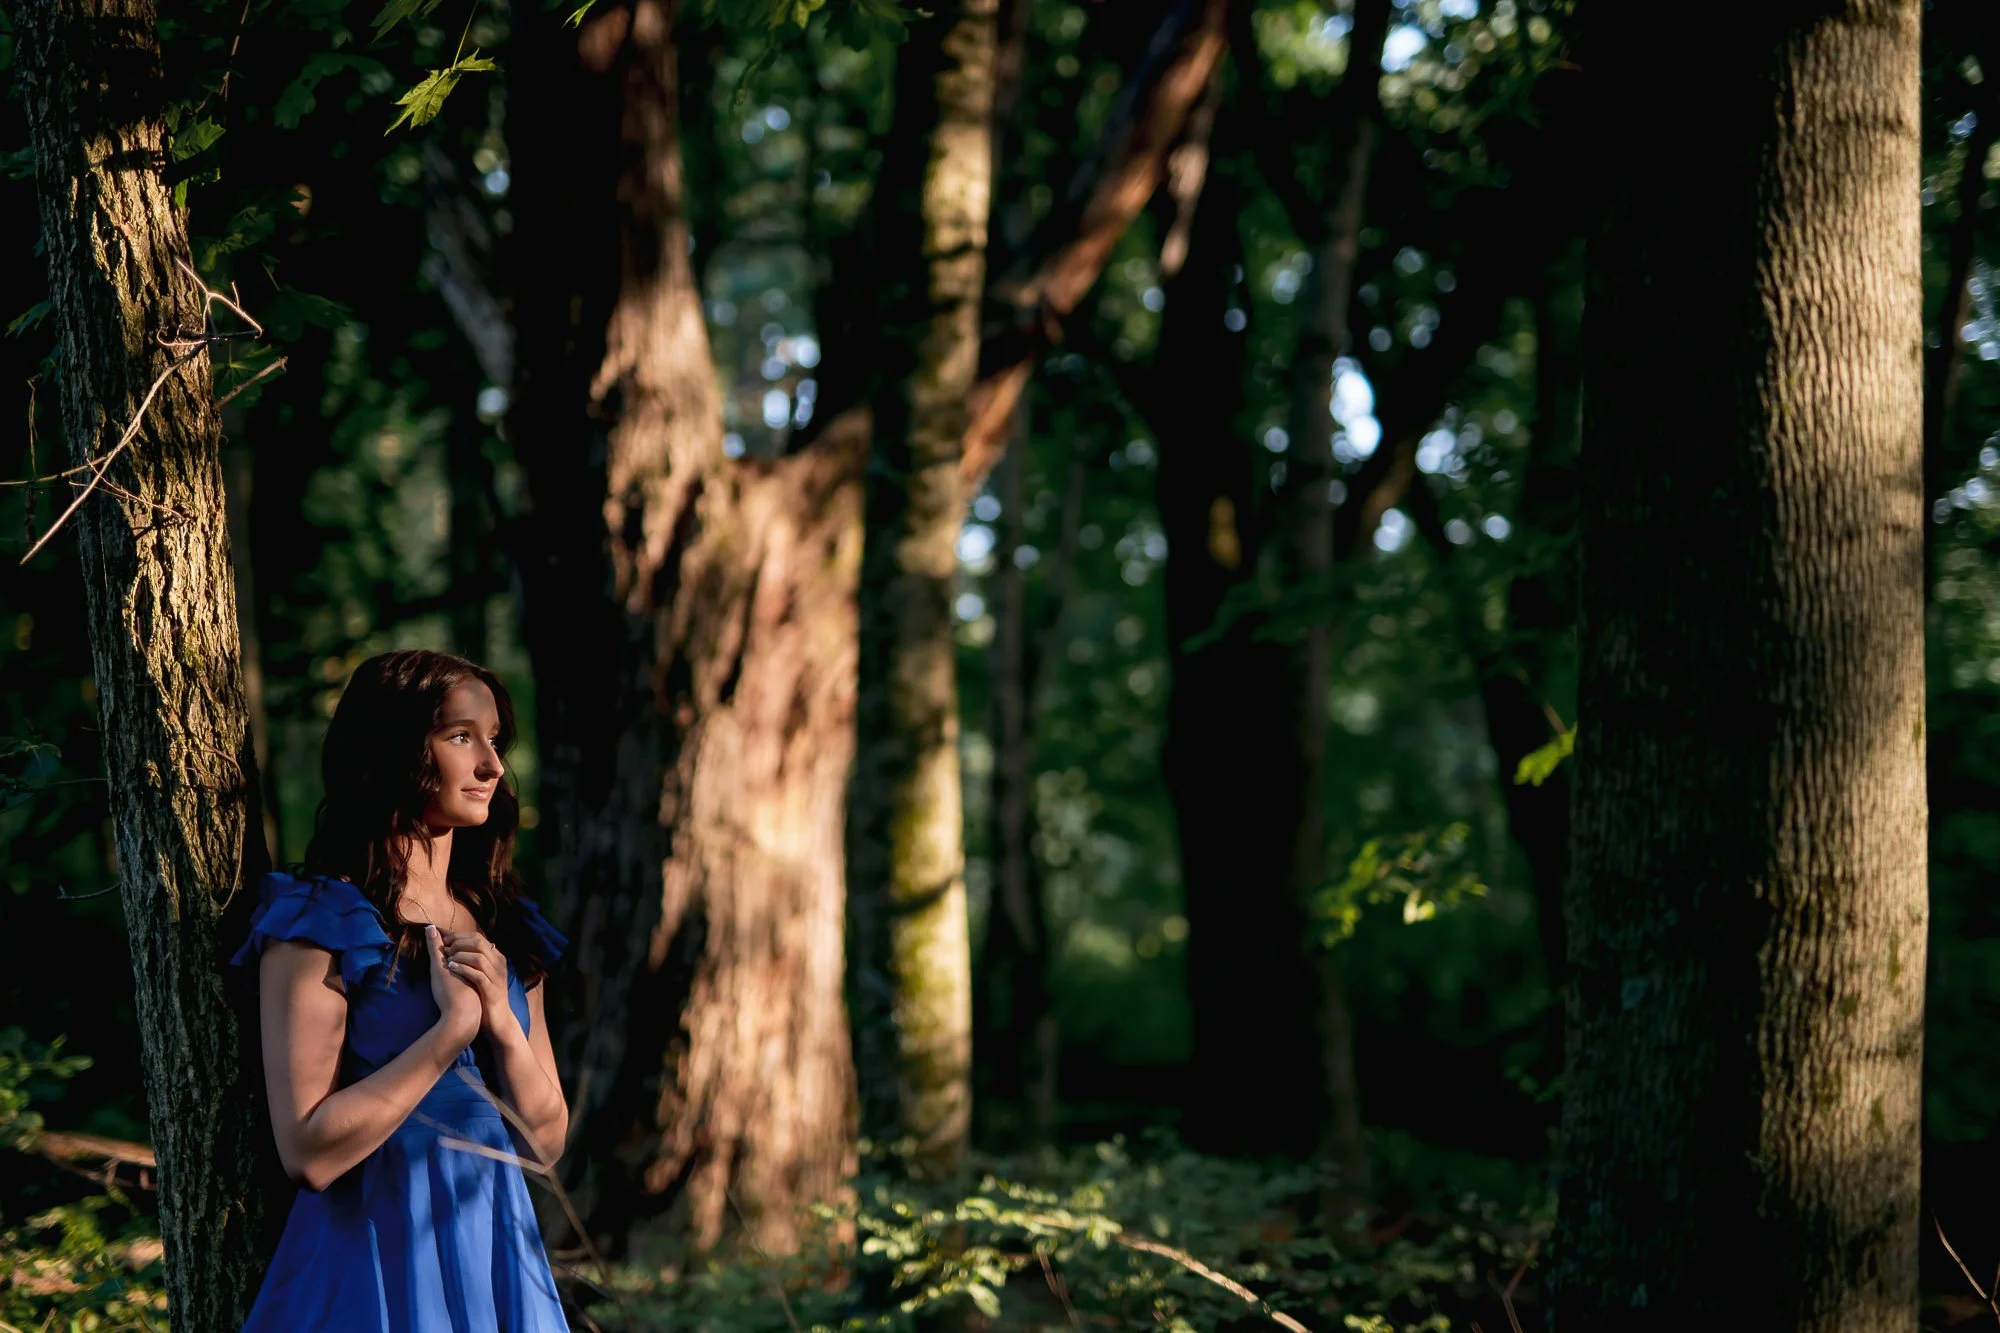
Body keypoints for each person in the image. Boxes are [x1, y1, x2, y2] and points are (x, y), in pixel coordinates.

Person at [231, 649, 571, 1331]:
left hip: (496, 1254)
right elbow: (308, 1151)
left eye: (494, 739)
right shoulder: (320, 920)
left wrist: (501, 1028)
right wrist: (448, 1035)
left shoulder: (506, 926)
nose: (492, 766)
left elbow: (546, 1141)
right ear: (397, 751)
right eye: (460, 737)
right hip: (374, 1263)